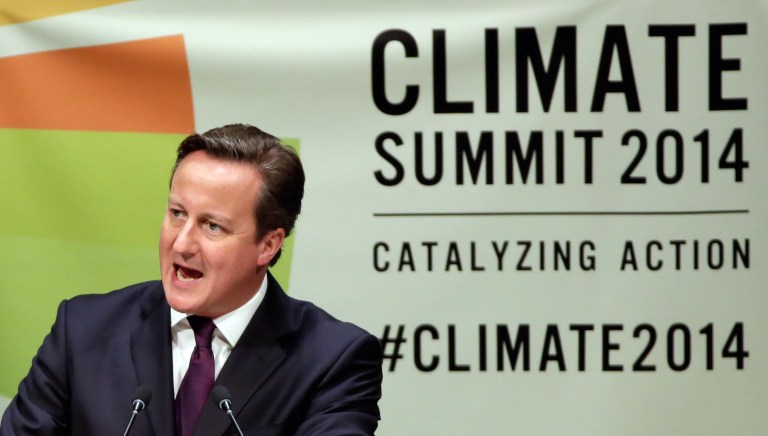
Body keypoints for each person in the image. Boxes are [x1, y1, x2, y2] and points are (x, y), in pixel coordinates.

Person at [0, 124, 383, 435]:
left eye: (212, 226)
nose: (182, 243)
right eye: (178, 214)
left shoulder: (333, 360)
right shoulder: (83, 330)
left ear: (268, 245)